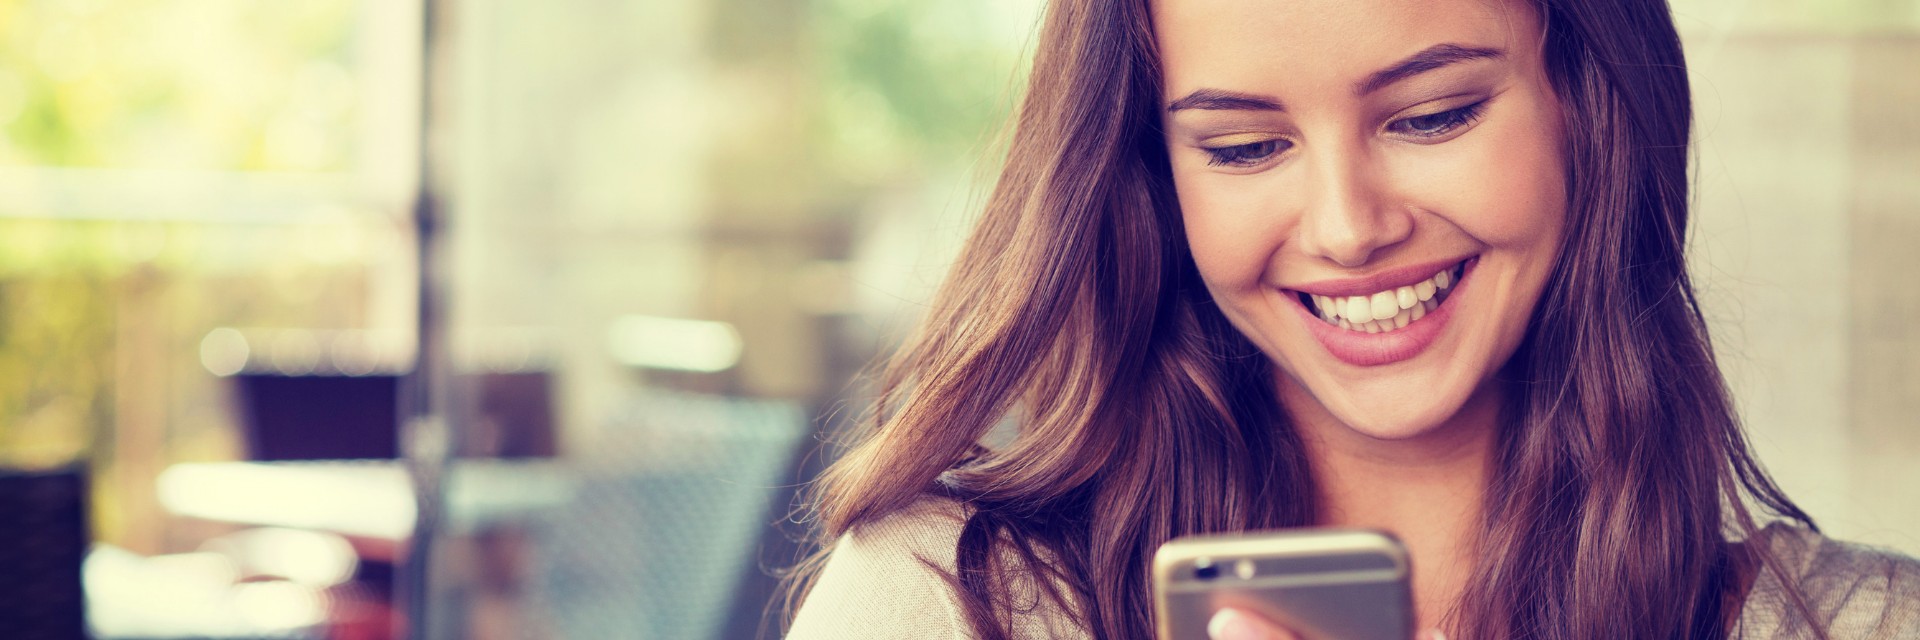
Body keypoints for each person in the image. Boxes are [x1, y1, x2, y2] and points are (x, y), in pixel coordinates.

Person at [782, 0, 1920, 637]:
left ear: (1592, 105)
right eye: (1244, 146)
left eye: (1434, 115)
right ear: (1152, 174)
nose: (1346, 226)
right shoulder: (937, 600)